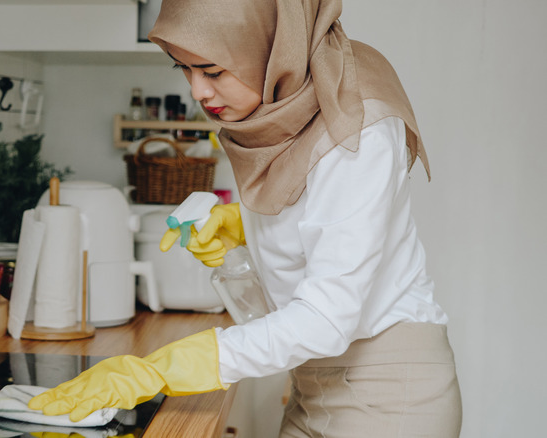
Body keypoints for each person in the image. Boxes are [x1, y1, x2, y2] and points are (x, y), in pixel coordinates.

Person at [29, 0, 462, 436]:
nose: (197, 91)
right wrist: (245, 230)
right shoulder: (279, 109)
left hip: (388, 393)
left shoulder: (355, 118)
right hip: (313, 382)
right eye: (182, 68)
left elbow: (328, 318)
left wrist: (168, 367)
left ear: (273, 46)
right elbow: (322, 222)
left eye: (213, 71)